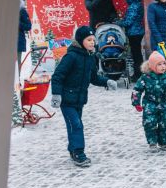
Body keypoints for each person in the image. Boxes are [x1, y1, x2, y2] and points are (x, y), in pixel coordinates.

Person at [50, 26, 117, 167]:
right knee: (76, 125)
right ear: (81, 41)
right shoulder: (71, 57)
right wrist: (56, 95)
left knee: (74, 126)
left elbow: (93, 78)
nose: (92, 42)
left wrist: (107, 81)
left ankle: (73, 149)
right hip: (66, 100)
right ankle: (79, 153)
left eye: (93, 40)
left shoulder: (90, 58)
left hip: (79, 100)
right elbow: (57, 76)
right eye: (89, 40)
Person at [132, 51, 166, 151]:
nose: (163, 66)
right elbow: (137, 90)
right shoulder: (145, 77)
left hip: (164, 104)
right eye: (159, 64)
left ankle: (163, 142)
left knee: (165, 123)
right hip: (149, 104)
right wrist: (136, 103)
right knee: (149, 123)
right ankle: (152, 142)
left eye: (164, 64)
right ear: (152, 66)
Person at [119, 0, 146, 81]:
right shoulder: (137, 4)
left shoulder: (134, 6)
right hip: (137, 32)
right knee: (137, 53)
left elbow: (129, 21)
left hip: (134, 33)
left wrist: (119, 23)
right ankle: (139, 73)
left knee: (136, 54)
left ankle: (138, 74)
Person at [17, 3, 31, 68]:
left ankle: (17, 77)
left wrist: (17, 23)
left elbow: (28, 26)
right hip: (6, 42)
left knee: (16, 64)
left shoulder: (22, 11)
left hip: (18, 43)